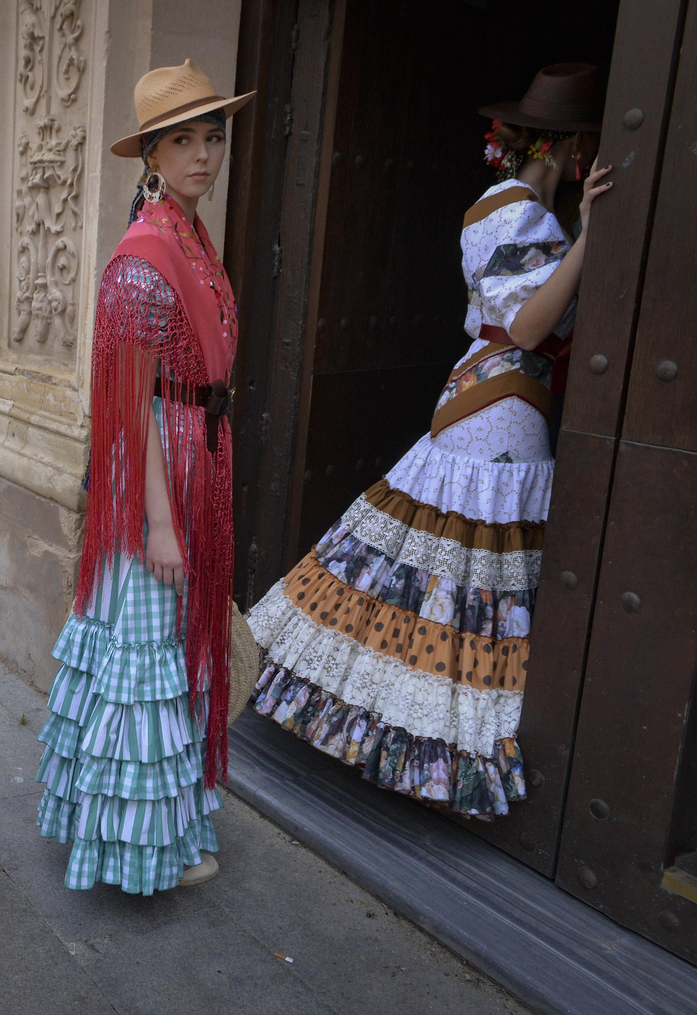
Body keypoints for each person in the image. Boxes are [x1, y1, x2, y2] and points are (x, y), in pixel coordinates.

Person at [246, 63, 612, 818]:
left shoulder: (527, 216)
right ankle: (425, 751)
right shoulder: (507, 211)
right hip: (497, 409)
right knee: (462, 583)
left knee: (456, 583)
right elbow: (532, 327)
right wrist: (590, 240)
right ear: (572, 149)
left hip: (501, 405)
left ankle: (416, 745)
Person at [36, 61, 251, 894]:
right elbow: (128, 406)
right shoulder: (143, 256)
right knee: (145, 643)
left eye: (213, 137)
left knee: (165, 643)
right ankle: (137, 845)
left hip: (197, 448)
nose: (204, 155)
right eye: (183, 140)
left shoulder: (191, 237)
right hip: (159, 463)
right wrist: (159, 520)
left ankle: (164, 823)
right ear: (152, 155)